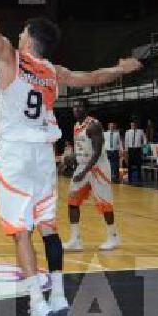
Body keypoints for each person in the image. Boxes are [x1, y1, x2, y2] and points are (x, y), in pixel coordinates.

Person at [0, 0, 141, 316]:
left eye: (22, 31)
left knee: (20, 231)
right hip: (43, 155)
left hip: (19, 154)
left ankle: (37, 305)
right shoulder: (54, 72)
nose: (17, 34)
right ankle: (58, 295)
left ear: (29, 39)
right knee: (48, 227)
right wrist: (121, 69)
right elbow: (93, 77)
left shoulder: (12, 59)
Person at [63, 99, 123, 253]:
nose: (76, 109)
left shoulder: (93, 125)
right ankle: (76, 240)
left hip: (98, 167)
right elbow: (82, 149)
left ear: (86, 109)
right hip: (83, 166)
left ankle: (113, 236)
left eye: (80, 106)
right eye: (74, 106)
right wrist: (71, 158)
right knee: (72, 200)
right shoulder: (77, 126)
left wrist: (83, 172)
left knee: (105, 203)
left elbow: (96, 152)